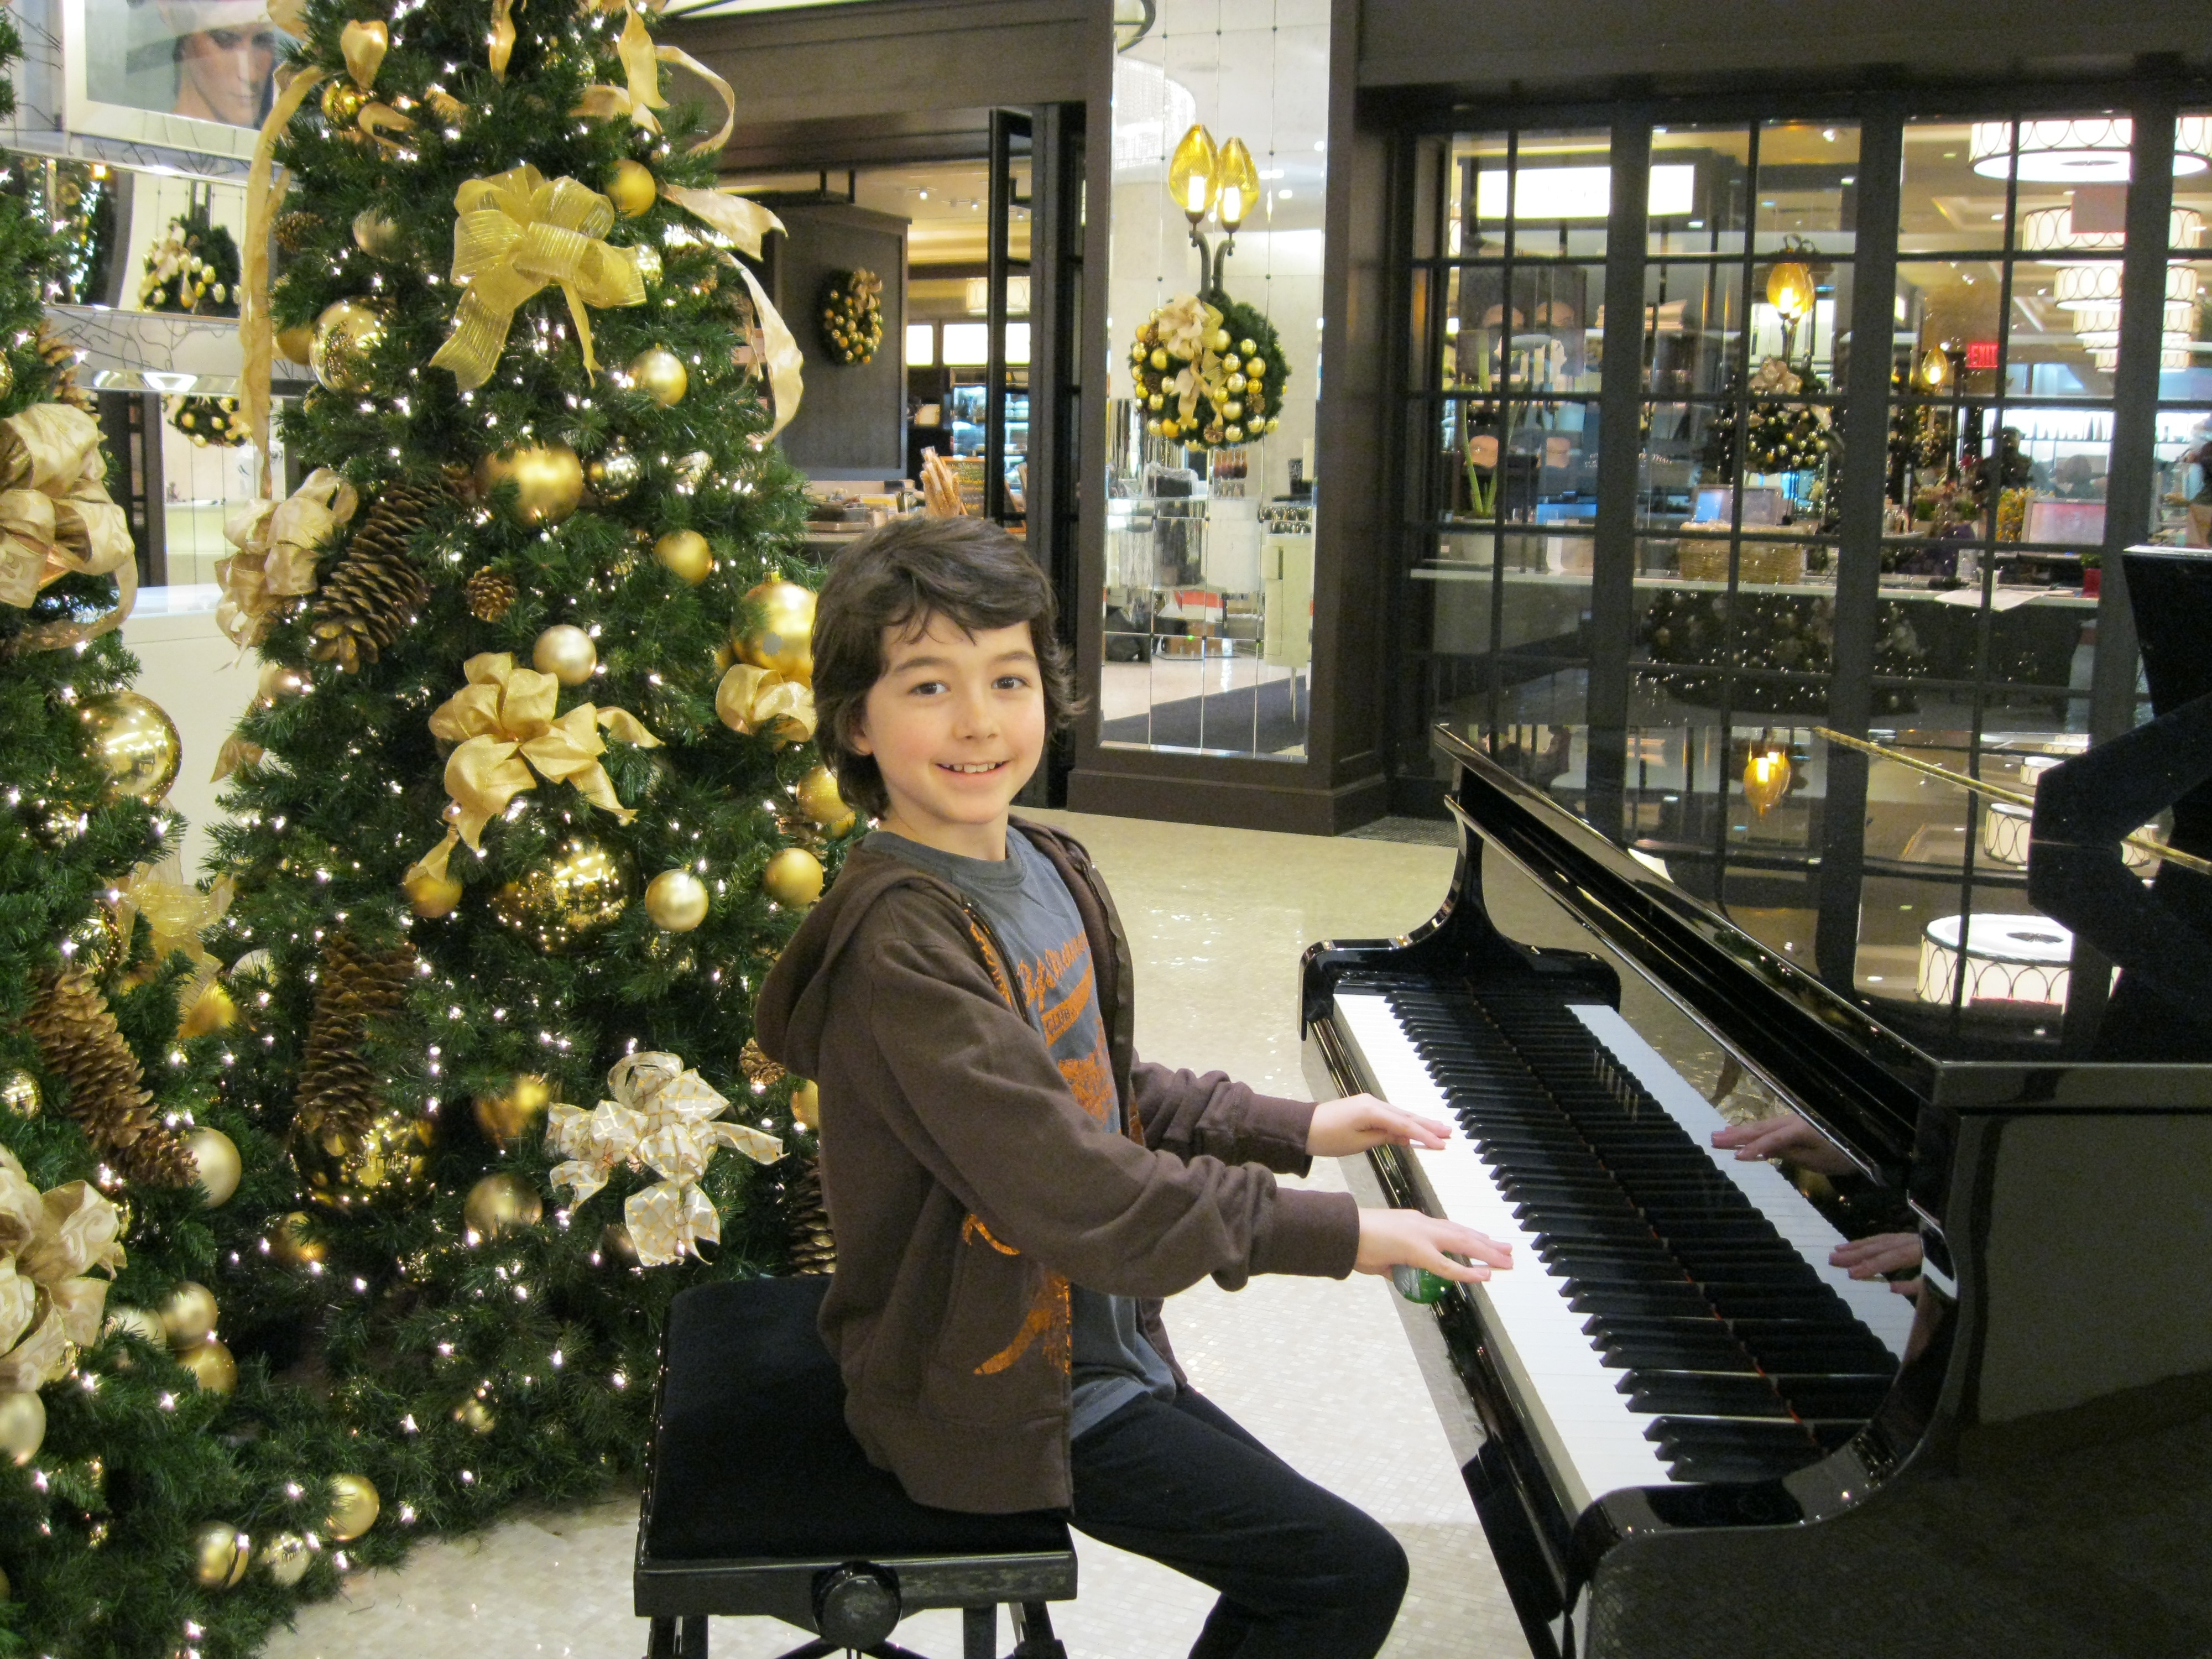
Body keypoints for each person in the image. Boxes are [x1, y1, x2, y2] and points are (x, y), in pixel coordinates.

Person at [754, 516, 1510, 1658]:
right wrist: (1340, 1234)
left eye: (1006, 678)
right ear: (855, 721)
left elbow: (1101, 1090)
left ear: (1047, 695)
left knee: (1323, 1562)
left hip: (1092, 1344)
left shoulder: (1045, 865)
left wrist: (1297, 1123)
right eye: (925, 686)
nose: (975, 721)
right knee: (1339, 1573)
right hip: (991, 1384)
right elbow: (1077, 1190)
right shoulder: (898, 949)